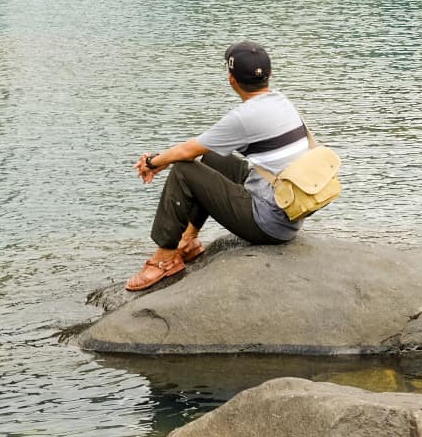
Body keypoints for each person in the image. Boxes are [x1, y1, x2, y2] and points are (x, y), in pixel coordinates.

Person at [125, 41, 311, 291]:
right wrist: (159, 162)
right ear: (270, 75)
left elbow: (186, 151)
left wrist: (151, 162)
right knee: (214, 158)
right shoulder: (281, 101)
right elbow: (204, 149)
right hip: (289, 210)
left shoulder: (244, 117)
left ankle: (164, 258)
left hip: (268, 224)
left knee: (184, 171)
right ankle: (188, 241)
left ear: (231, 79)